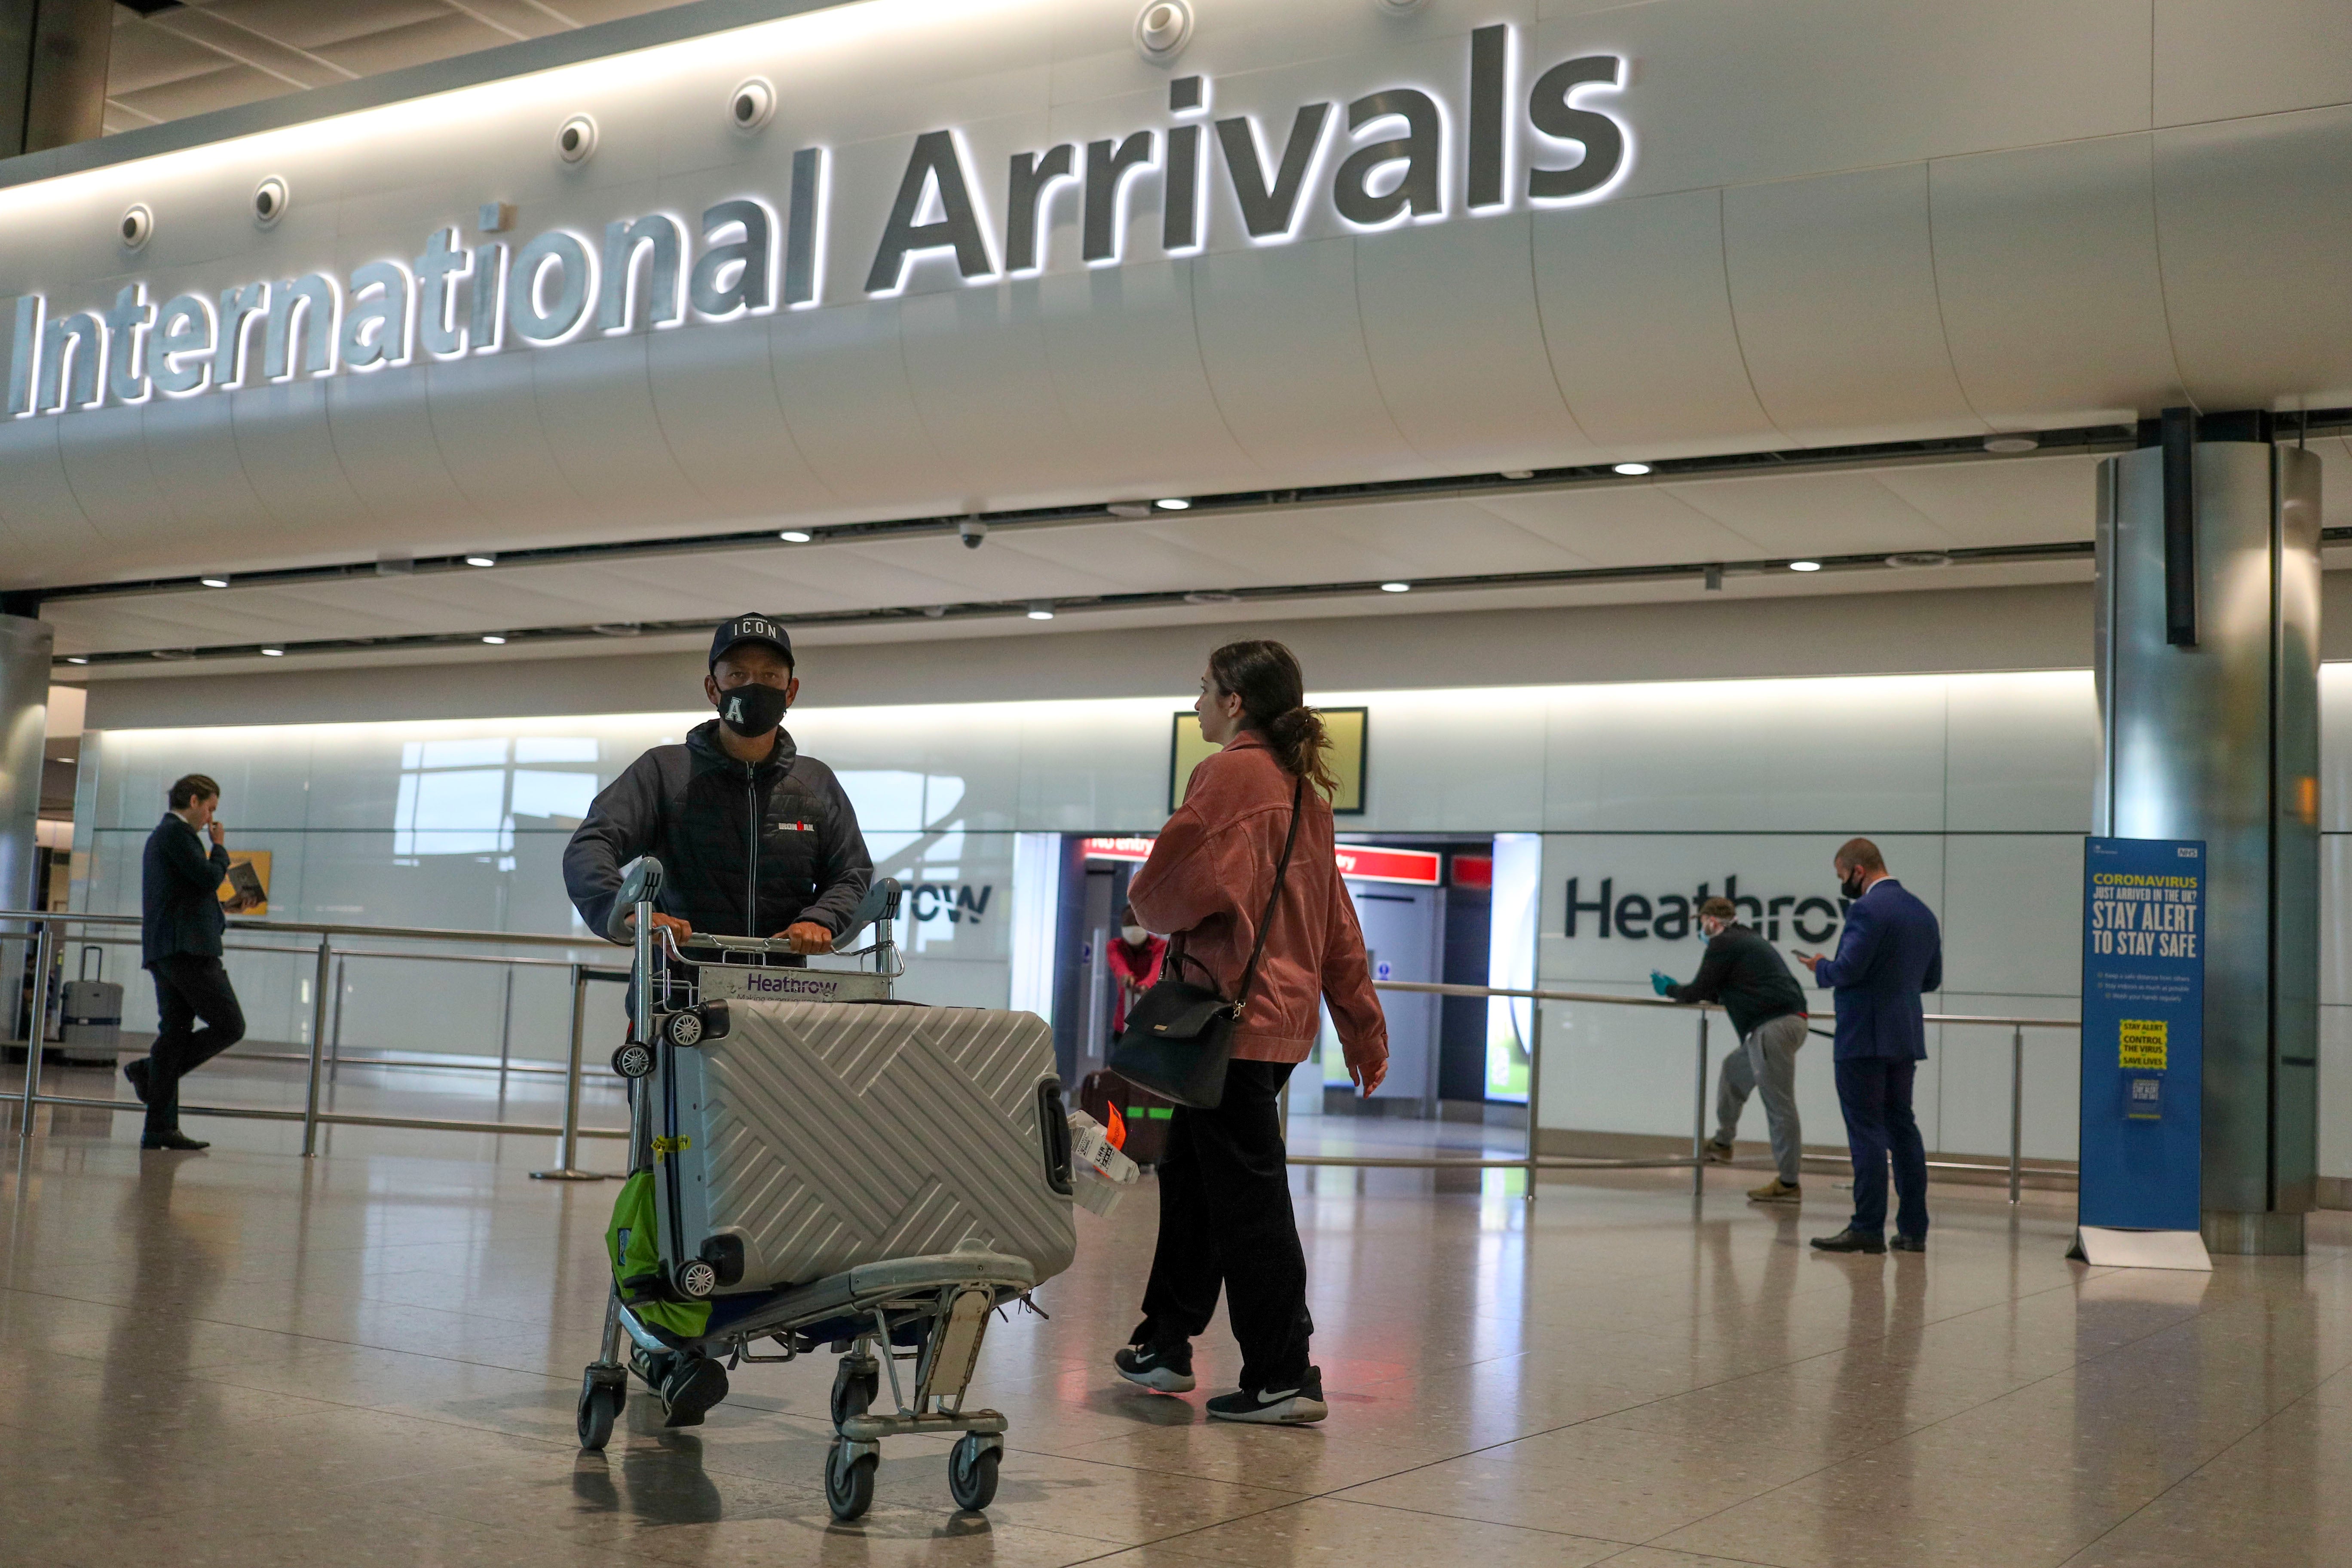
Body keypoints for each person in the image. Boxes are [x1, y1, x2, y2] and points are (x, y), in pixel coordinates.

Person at [562, 612, 874, 1425]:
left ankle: (766, 1302)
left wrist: (826, 921)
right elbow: (593, 846)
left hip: (781, 1016)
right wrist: (626, 911)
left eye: (768, 677)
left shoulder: (816, 787)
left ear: (792, 689)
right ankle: (671, 1339)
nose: (753, 689)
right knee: (673, 1170)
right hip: (678, 1006)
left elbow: (854, 873)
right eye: (737, 677)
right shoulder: (665, 774)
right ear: (712, 688)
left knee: (787, 1167)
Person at [1112, 638, 1388, 1425]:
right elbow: (1335, 922)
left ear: (1235, 701)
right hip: (1273, 1025)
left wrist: (1161, 907)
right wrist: (1362, 1027)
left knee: (1246, 1198)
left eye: (1203, 689)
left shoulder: (1230, 774)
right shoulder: (1307, 792)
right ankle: (1165, 1338)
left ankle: (1281, 1370)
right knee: (1197, 1180)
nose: (1196, 701)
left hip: (1224, 1020)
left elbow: (1157, 894)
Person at [1792, 838, 1942, 1256]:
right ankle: (1913, 1230)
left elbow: (1848, 969)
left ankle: (1867, 1228)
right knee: (1902, 1127)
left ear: (1858, 871)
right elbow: (1931, 980)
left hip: (1863, 1039)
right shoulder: (1922, 912)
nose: (1843, 885)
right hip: (1904, 1037)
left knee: (1867, 1131)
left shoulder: (1866, 910)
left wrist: (1821, 966)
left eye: (1842, 876)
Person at [1651, 896, 1810, 1204]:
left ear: (1711, 921)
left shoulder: (1723, 943)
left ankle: (1789, 1184)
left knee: (1780, 1105)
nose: (1701, 930)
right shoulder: (1747, 939)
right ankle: (1723, 1142)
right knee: (1733, 1070)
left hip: (1773, 1028)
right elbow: (1722, 988)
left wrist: (1669, 989)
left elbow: (1698, 991)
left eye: (1702, 923)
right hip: (1782, 1024)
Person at [130, 774, 247, 1152]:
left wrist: (226, 908)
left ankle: (160, 1128)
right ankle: (149, 1074)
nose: (211, 818)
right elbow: (208, 877)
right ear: (194, 801)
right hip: (187, 952)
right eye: (210, 808)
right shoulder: (178, 835)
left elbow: (188, 893)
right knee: (230, 1024)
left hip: (169, 949)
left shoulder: (167, 838)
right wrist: (220, 849)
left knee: (176, 1033)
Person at [1105, 901, 1165, 1037]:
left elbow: (1158, 969)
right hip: (1124, 1021)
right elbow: (1118, 964)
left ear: (1145, 924)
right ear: (1122, 926)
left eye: (1136, 923)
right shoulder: (1115, 946)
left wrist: (1146, 985)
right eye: (1128, 924)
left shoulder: (1161, 947)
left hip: (1152, 1021)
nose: (1133, 928)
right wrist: (1125, 976)